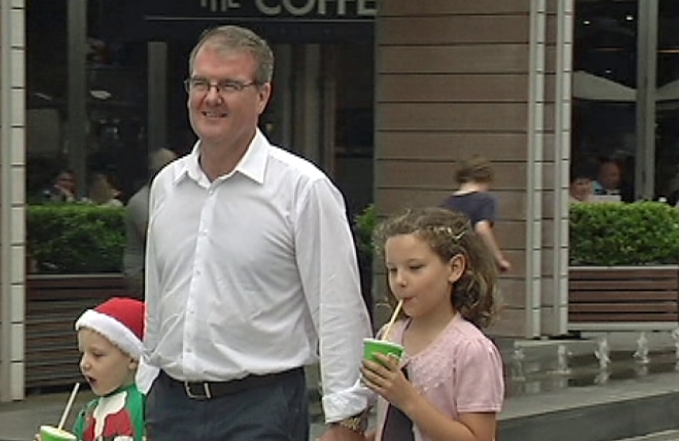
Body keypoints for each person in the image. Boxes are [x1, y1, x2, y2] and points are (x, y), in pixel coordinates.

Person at [137, 25, 373, 440]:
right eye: (201, 83)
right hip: (170, 409)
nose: (211, 98)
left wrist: (348, 418)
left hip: (261, 410)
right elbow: (160, 296)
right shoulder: (167, 187)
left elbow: (337, 310)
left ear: (263, 95)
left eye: (229, 85)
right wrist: (145, 383)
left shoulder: (303, 190)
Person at [361, 207, 504, 441]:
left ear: (454, 268)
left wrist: (408, 399)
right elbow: (393, 425)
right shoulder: (389, 334)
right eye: (392, 270)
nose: (400, 281)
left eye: (415, 268)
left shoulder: (470, 349)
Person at [49, 297, 146, 441]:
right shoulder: (88, 413)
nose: (84, 364)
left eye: (97, 355)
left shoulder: (148, 405)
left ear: (132, 358)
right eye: (83, 353)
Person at [121, 148, 177, 300]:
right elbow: (152, 238)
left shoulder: (167, 197)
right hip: (140, 272)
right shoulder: (141, 201)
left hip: (160, 271)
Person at [440, 156, 511, 273]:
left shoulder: (446, 204)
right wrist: (499, 259)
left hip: (451, 264)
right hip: (474, 263)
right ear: (485, 178)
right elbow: (482, 229)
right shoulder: (484, 200)